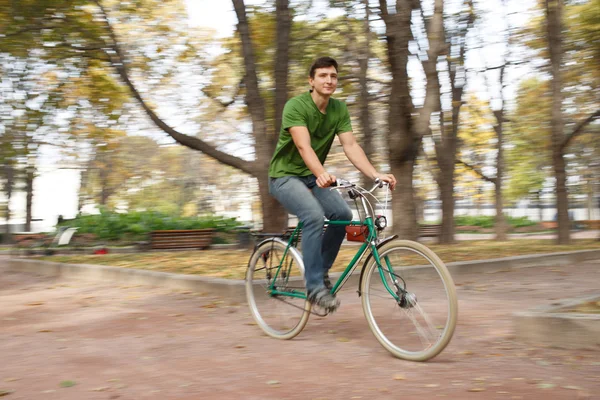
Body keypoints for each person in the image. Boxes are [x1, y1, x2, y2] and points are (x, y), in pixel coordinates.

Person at [268, 56, 396, 311]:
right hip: (284, 176)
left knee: (342, 214)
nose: (329, 80)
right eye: (323, 75)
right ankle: (314, 287)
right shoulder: (296, 106)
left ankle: (321, 271)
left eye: (333, 76)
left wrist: (374, 174)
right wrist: (322, 174)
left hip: (312, 176)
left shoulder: (338, 109)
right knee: (314, 216)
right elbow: (303, 146)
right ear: (311, 81)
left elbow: (350, 145)